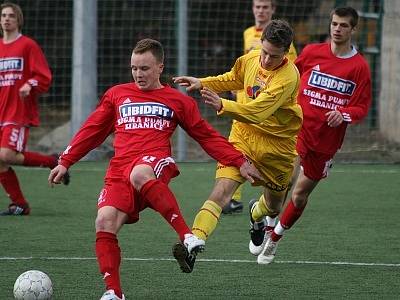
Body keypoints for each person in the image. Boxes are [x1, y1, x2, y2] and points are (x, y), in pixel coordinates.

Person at [48, 38, 261, 300]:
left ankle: (187, 236)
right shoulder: (117, 94)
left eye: (145, 68)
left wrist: (239, 160)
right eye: (134, 68)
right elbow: (92, 130)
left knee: (140, 173)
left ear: (160, 67)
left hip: (154, 160)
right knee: (104, 221)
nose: (138, 74)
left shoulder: (177, 100)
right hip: (119, 170)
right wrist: (65, 161)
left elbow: (206, 136)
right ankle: (114, 292)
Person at [173, 19, 302, 268]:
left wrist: (222, 105)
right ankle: (194, 243)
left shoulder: (288, 77)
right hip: (243, 137)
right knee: (222, 191)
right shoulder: (251, 58)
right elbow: (234, 78)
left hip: (278, 146)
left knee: (274, 207)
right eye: (264, 51)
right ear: (261, 44)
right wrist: (203, 83)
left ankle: (256, 214)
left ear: (286, 53)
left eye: (273, 56)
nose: (266, 60)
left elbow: (257, 112)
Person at [256, 6, 372, 264]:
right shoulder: (311, 52)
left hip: (326, 143)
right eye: (334, 24)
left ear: (354, 29)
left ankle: (275, 237)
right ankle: (267, 223)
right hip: (296, 130)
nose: (337, 29)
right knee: (283, 181)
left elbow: (362, 107)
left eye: (343, 25)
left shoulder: (359, 67)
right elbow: (287, 75)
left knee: (299, 196)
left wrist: (343, 113)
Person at [224, 0, 298, 214]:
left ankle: (267, 198)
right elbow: (248, 64)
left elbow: (286, 71)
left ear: (273, 10)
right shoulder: (248, 33)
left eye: (265, 7)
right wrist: (238, 84)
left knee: (267, 152)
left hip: (269, 104)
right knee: (237, 141)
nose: (261, 11)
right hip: (246, 97)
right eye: (257, 7)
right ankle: (233, 198)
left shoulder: (284, 43)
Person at [0, 2, 69, 216]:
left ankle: (51, 161)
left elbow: (43, 76)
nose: (7, 19)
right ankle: (19, 205)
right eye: (3, 15)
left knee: (6, 155)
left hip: (18, 112)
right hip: (1, 112)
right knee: (0, 163)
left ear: (18, 20)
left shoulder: (27, 45)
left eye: (11, 15)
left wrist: (30, 84)